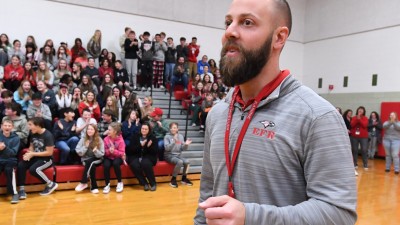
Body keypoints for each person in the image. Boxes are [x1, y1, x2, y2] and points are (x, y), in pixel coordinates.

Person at [194, 0, 357, 224]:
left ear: (279, 38)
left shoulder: (318, 117)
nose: (230, 31)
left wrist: (250, 217)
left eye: (247, 22)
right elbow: (208, 196)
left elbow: (339, 214)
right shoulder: (218, 113)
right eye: (228, 22)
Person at [17, 117, 58, 199]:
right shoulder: (33, 133)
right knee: (21, 165)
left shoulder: (48, 135)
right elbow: (31, 146)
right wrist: (28, 154)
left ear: (38, 125)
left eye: (30, 125)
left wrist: (33, 154)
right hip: (35, 156)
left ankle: (51, 184)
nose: (28, 127)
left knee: (34, 169)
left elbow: (49, 152)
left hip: (47, 159)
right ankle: (21, 190)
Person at [126, 122, 158, 191]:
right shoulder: (135, 136)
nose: (144, 130)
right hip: (136, 155)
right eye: (142, 129)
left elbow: (155, 151)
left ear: (149, 130)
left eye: (146, 129)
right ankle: (144, 183)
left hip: (148, 156)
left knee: (145, 163)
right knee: (134, 165)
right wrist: (140, 146)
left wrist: (148, 147)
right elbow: (130, 150)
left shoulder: (152, 137)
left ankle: (153, 184)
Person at [75, 124, 105, 193]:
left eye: (91, 129)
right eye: (88, 129)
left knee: (90, 162)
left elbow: (102, 154)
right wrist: (85, 147)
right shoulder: (83, 139)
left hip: (97, 159)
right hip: (86, 159)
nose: (89, 131)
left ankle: (83, 182)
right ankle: (93, 187)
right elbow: (79, 152)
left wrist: (96, 151)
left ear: (95, 131)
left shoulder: (99, 139)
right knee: (91, 165)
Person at [164, 122, 193, 188]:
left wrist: (186, 145)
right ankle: (173, 179)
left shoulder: (181, 136)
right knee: (180, 162)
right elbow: (167, 149)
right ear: (170, 129)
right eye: (172, 128)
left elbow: (183, 148)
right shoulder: (167, 137)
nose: (173, 129)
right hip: (169, 155)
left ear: (177, 129)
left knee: (187, 162)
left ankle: (184, 178)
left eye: (175, 128)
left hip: (178, 155)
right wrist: (174, 142)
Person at [0, 119, 20, 204]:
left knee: (9, 170)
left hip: (10, 160)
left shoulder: (16, 138)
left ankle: (14, 193)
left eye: (9, 126)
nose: (7, 127)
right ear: (1, 127)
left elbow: (13, 153)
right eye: (5, 125)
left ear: (12, 127)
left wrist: (4, 148)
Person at [102, 122, 126, 194]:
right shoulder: (106, 139)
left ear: (115, 132)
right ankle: (107, 184)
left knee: (116, 163)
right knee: (106, 164)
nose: (107, 131)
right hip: (108, 157)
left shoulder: (121, 140)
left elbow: (122, 153)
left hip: (118, 157)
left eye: (109, 130)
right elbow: (104, 152)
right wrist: (109, 151)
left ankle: (119, 182)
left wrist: (114, 152)